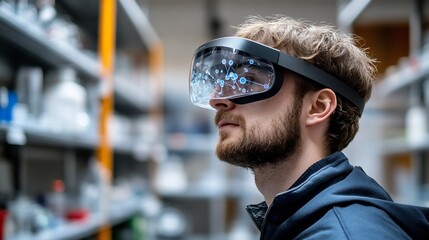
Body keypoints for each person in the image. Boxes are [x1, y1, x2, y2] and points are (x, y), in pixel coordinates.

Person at [189, 15, 429, 239]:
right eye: (222, 84)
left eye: (249, 81)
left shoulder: (344, 233)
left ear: (318, 107)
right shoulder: (299, 219)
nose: (217, 99)